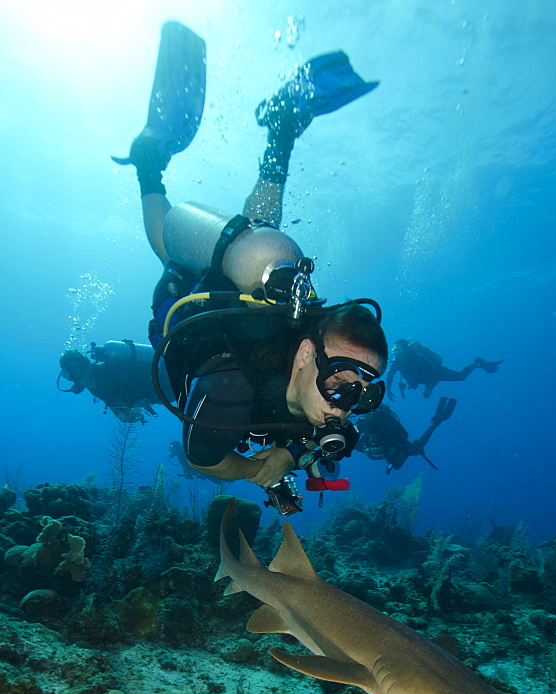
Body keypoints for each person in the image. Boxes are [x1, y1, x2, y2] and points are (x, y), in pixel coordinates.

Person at [112, 22, 386, 506]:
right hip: (198, 293)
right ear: (305, 357)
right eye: (342, 388)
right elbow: (204, 458)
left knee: (263, 228)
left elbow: (311, 439)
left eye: (361, 395)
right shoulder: (230, 389)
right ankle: (148, 161)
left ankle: (280, 127)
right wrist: (261, 470)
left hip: (260, 287)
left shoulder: (321, 397)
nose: (346, 410)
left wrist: (294, 455)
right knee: (167, 246)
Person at [58, 340, 175, 424]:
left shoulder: (105, 372)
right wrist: (123, 414)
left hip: (167, 380)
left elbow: (128, 381)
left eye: (74, 373)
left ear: (85, 366)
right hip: (164, 394)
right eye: (67, 376)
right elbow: (114, 400)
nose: (74, 379)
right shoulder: (93, 388)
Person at [355, 396, 457, 473]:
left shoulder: (386, 420)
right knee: (396, 465)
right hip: (377, 444)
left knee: (415, 450)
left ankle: (434, 424)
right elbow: (350, 440)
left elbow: (404, 435)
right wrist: (364, 449)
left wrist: (393, 446)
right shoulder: (361, 422)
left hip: (392, 442)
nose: (369, 413)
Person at [386, 338, 504, 400]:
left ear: (406, 349)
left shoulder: (417, 357)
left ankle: (477, 363)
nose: (398, 354)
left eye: (399, 350)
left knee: (462, 377)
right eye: (395, 351)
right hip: (422, 378)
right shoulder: (396, 363)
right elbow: (390, 375)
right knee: (415, 382)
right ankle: (478, 363)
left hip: (438, 373)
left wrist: (429, 388)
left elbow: (434, 372)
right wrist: (388, 389)